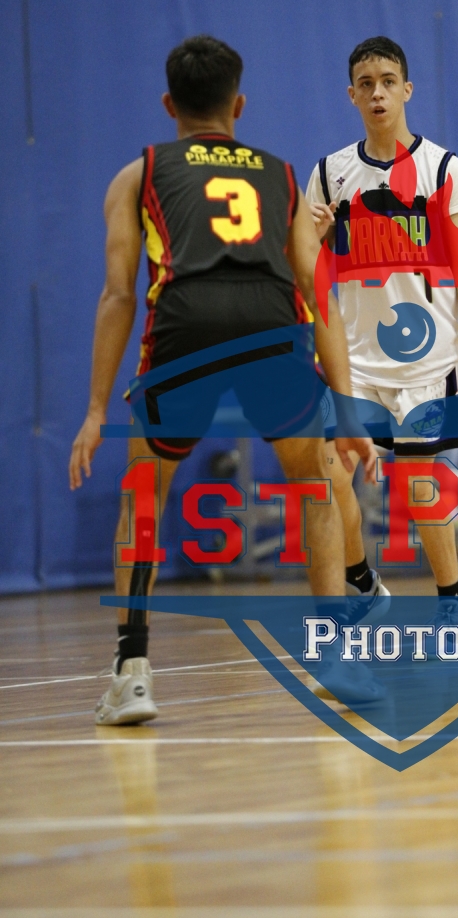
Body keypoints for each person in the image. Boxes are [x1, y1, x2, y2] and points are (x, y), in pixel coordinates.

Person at [69, 35, 377, 725]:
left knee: (143, 494)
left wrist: (95, 408)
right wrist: (348, 408)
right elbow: (317, 291)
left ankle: (132, 673)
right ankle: (334, 655)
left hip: (187, 324)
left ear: (168, 104)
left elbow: (118, 294)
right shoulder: (283, 176)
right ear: (238, 105)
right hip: (271, 325)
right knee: (317, 484)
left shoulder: (139, 174)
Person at [306, 36, 458, 606]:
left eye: (388, 82)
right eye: (366, 84)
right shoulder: (329, 174)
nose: (377, 93)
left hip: (426, 359)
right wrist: (313, 237)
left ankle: (451, 599)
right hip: (354, 358)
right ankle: (363, 581)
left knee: (418, 482)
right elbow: (309, 267)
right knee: (329, 471)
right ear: (352, 96)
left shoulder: (444, 168)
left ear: (407, 89)